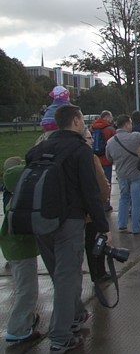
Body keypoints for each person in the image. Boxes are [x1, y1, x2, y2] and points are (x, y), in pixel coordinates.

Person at [26, 104, 111, 353]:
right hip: (70, 220)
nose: (84, 124)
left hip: (40, 219)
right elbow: (90, 191)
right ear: (75, 121)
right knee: (68, 277)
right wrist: (101, 225)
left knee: (58, 274)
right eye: (82, 120)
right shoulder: (79, 150)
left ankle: (73, 314)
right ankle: (61, 335)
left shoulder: (39, 149)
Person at [1, 157, 41, 344]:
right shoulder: (19, 205)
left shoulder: (11, 201)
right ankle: (17, 329)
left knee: (24, 288)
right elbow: (24, 231)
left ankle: (28, 319)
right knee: (27, 291)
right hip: (21, 252)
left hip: (15, 251)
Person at [106, 115, 140, 234]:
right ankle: (137, 227)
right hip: (136, 172)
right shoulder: (135, 137)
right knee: (137, 201)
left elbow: (109, 158)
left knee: (123, 198)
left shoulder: (110, 142)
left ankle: (122, 224)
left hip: (121, 174)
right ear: (126, 124)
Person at [82, 126, 111, 284]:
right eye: (89, 138)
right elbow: (101, 186)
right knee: (95, 241)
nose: (92, 140)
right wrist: (103, 198)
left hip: (70, 212)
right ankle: (99, 273)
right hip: (90, 211)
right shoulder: (89, 157)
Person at [91, 111, 115, 211]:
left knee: (95, 181)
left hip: (94, 158)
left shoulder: (92, 128)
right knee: (107, 181)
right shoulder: (109, 129)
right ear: (107, 117)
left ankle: (97, 203)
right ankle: (106, 203)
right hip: (106, 159)